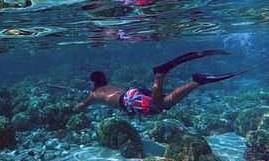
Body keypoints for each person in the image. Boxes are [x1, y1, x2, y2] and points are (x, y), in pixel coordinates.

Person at [73, 50, 243, 116]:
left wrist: (74, 108)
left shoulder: (94, 93)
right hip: (134, 93)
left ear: (93, 83)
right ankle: (196, 81)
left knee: (159, 107)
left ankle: (160, 76)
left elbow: (81, 106)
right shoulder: (109, 86)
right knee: (165, 102)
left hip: (130, 101)